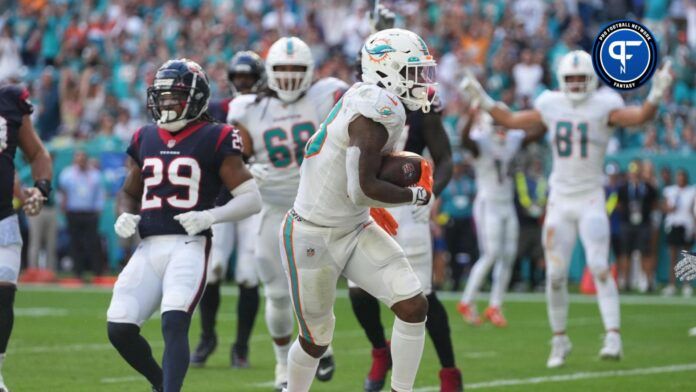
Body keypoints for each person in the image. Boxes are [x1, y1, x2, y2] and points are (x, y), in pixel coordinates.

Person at [460, 50, 673, 368]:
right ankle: (559, 340)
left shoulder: (605, 104)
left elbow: (640, 117)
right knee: (556, 275)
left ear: (591, 79)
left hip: (589, 197)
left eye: (580, 78)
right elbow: (511, 120)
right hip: (560, 199)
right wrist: (483, 98)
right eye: (569, 78)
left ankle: (613, 334)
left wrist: (655, 95)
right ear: (562, 79)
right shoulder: (550, 103)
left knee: (600, 266)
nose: (574, 84)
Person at [280, 28, 435, 392]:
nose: (421, 81)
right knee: (315, 340)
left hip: (354, 227)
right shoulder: (376, 108)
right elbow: (362, 188)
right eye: (413, 72)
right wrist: (413, 198)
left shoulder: (377, 100)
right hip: (312, 234)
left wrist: (379, 202)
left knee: (413, 305)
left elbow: (360, 188)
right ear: (387, 69)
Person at [105, 59, 262, 392]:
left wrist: (210, 216)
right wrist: (124, 213)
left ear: (196, 97)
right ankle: (160, 383)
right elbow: (129, 192)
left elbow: (251, 198)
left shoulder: (217, 135)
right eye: (161, 97)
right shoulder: (144, 136)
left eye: (173, 96)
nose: (165, 104)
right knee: (118, 327)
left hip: (189, 245)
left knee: (174, 321)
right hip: (148, 246)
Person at [226, 37, 348, 390]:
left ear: (310, 71)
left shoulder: (328, 95)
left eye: (297, 69)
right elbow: (236, 156)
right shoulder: (246, 108)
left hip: (317, 204)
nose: (291, 77)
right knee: (277, 293)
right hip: (272, 205)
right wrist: (247, 167)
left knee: (317, 287)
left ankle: (320, 344)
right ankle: (283, 366)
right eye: (283, 69)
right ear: (270, 73)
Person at [346, 27, 461, 390]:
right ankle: (380, 351)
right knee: (359, 291)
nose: (418, 79)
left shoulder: (421, 107)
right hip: (368, 206)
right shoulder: (356, 103)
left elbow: (444, 160)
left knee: (421, 295)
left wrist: (431, 194)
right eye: (410, 70)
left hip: (409, 207)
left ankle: (449, 372)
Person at [190, 50, 268, 369]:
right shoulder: (218, 109)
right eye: (240, 78)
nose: (244, 84)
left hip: (255, 198)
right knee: (214, 270)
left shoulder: (268, 110)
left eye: (249, 78)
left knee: (249, 275)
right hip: (221, 198)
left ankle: (242, 346)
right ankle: (208, 337)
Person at [0, 82, 53, 392]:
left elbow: (36, 153)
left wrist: (40, 189)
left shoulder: (8, 101)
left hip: (3, 216)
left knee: (4, 294)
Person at [456, 109, 526, 327]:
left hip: (507, 203)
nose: (501, 130)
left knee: (508, 255)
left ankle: (495, 305)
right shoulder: (481, 142)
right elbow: (465, 139)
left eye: (504, 125)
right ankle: (467, 301)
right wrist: (469, 115)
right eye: (496, 125)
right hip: (489, 203)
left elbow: (534, 131)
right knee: (491, 254)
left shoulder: (513, 140)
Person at [58, 150, 105, 279]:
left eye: (83, 158)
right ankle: (78, 273)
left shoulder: (95, 175)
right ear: (74, 160)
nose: (81, 161)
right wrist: (63, 207)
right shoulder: (67, 174)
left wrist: (99, 209)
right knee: (75, 243)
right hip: (73, 212)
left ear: (86, 159)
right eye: (78, 158)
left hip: (90, 213)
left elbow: (99, 194)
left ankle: (97, 272)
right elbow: (62, 192)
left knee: (94, 243)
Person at [616, 161, 658, 292]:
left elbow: (654, 204)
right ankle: (626, 281)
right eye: (632, 173)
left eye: (637, 172)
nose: (634, 175)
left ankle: (648, 281)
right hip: (627, 223)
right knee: (626, 253)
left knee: (646, 253)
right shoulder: (623, 188)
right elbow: (618, 205)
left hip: (643, 224)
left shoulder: (648, 187)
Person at [661, 169, 695, 297]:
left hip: (687, 225)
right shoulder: (670, 190)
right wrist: (668, 208)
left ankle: (687, 284)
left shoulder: (692, 191)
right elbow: (663, 206)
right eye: (678, 176)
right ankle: (672, 284)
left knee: (688, 257)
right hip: (673, 225)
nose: (680, 178)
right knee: (673, 258)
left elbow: (693, 209)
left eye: (682, 176)